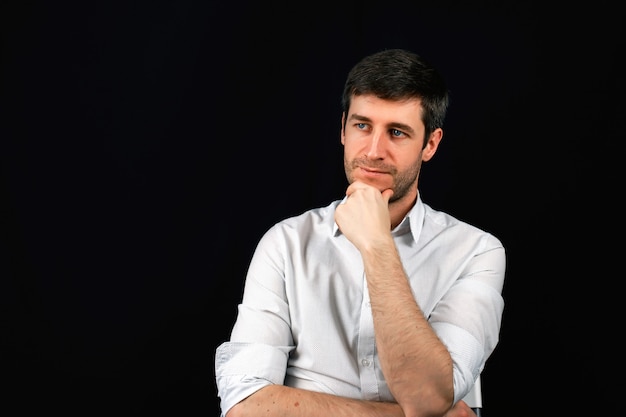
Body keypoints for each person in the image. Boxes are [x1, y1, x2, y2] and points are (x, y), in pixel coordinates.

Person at [215, 48, 506, 417]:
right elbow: (245, 407)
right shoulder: (286, 244)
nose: (373, 151)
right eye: (362, 125)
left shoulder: (476, 251)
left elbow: (427, 396)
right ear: (342, 129)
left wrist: (376, 245)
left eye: (397, 132)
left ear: (430, 144)